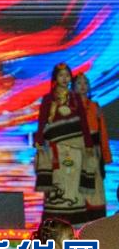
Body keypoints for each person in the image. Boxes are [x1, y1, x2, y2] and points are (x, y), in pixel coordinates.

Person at [34, 63, 94, 223]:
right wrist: (39, 141)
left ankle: (76, 220)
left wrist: (88, 144)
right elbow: (42, 122)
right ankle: (55, 220)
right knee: (58, 179)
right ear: (55, 78)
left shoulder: (75, 98)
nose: (65, 78)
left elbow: (83, 122)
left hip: (76, 147)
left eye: (67, 75)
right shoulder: (48, 99)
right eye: (61, 75)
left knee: (73, 180)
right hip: (56, 148)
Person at [72, 73, 110, 221]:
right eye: (79, 83)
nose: (83, 86)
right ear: (73, 87)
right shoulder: (69, 108)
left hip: (93, 152)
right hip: (76, 151)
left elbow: (102, 132)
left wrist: (105, 156)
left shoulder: (95, 106)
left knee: (95, 185)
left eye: (85, 83)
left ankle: (96, 223)